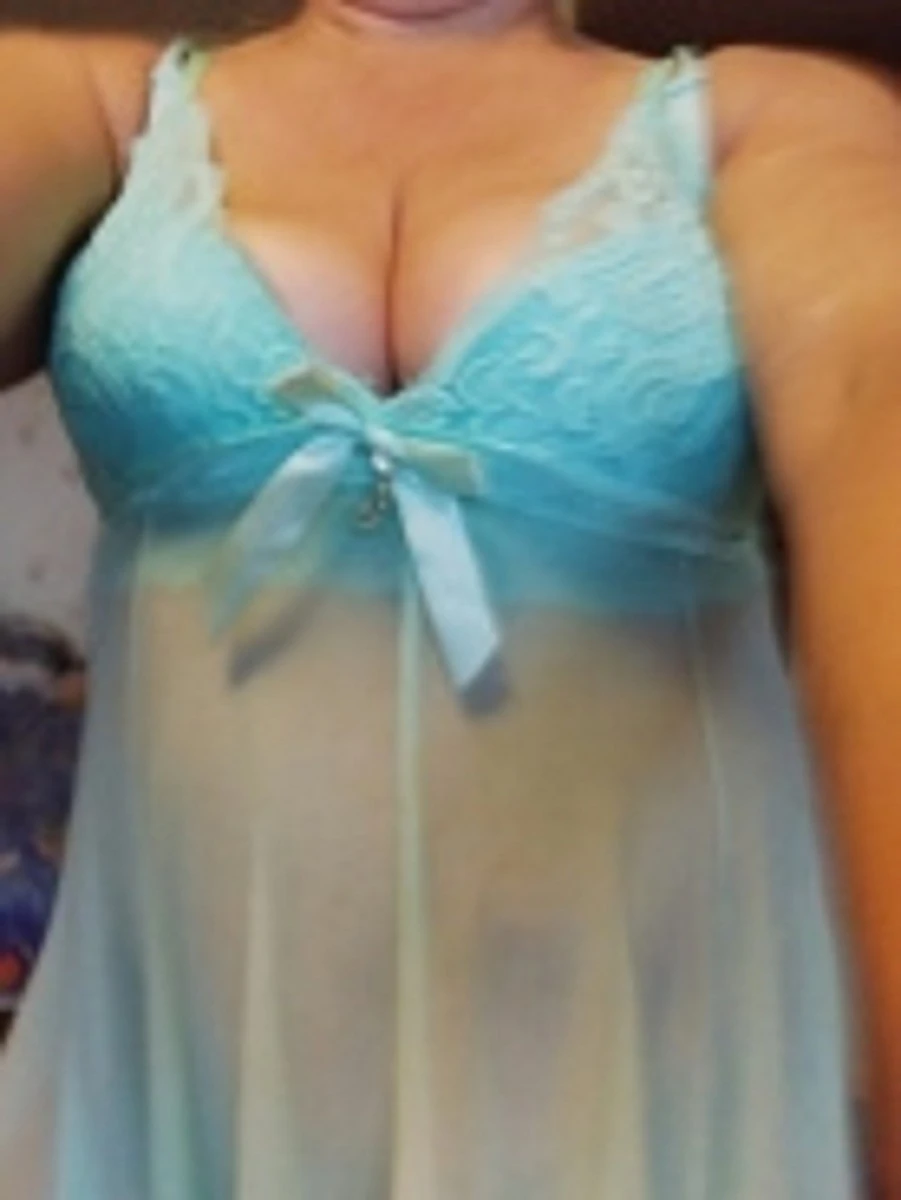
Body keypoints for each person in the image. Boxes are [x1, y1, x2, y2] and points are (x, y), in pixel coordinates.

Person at [0, 1, 898, 1195]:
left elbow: (869, 414)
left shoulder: (762, 123)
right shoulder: (104, 110)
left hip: (627, 1089)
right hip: (188, 1086)